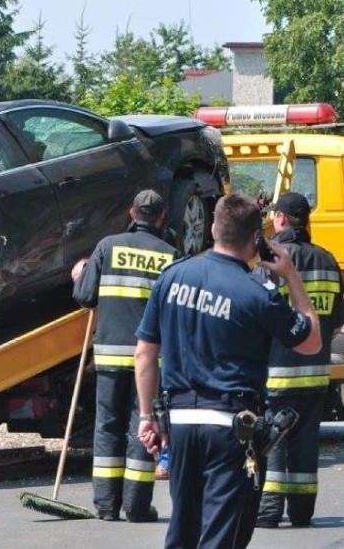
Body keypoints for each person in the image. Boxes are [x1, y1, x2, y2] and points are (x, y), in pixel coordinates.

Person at [135, 193, 321, 548]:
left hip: (181, 425)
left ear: (213, 228)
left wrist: (147, 417)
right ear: (256, 239)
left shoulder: (172, 277)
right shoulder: (258, 294)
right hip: (230, 428)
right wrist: (292, 277)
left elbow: (145, 354)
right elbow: (310, 341)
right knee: (222, 535)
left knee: (184, 530)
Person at [72, 189, 178, 522]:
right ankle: (136, 505)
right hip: (150, 362)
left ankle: (105, 505)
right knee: (143, 426)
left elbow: (85, 297)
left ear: (132, 215)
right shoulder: (171, 255)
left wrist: (80, 275)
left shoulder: (107, 246)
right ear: (161, 218)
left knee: (107, 427)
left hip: (109, 357)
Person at [255, 192, 344, 528]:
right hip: (316, 372)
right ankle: (302, 512)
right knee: (305, 443)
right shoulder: (328, 260)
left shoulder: (273, 258)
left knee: (274, 441)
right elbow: (335, 318)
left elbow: (257, 311)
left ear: (280, 219)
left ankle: (269, 511)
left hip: (278, 371)